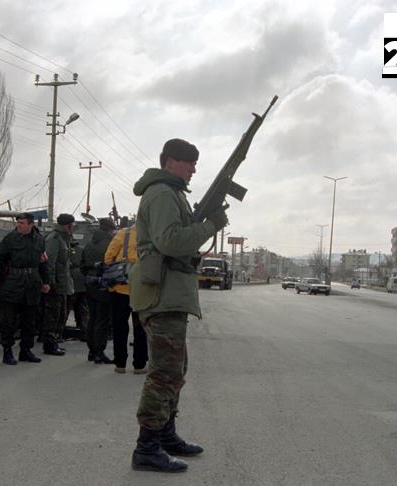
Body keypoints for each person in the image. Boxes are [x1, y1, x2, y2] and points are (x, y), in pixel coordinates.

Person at [128, 139, 228, 472]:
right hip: (163, 296)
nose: (194, 169)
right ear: (171, 162)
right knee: (164, 373)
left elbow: (179, 244)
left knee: (175, 369)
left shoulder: (171, 194)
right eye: (190, 163)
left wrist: (201, 227)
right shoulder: (161, 193)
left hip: (170, 294)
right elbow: (170, 241)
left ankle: (166, 435)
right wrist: (210, 225)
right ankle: (147, 447)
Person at [0, 213, 49, 365]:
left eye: (21, 223)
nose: (18, 225)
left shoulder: (40, 240)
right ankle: (7, 351)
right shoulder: (10, 239)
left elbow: (43, 262)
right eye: (17, 222)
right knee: (9, 321)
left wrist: (46, 281)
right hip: (14, 282)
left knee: (30, 321)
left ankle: (26, 350)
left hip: (32, 283)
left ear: (30, 224)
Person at [104, 223, 148, 375]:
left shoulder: (123, 233)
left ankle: (120, 364)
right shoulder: (153, 234)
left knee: (120, 327)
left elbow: (108, 258)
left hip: (120, 290)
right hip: (142, 291)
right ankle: (140, 365)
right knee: (141, 328)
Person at [80, 218, 116, 364]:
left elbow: (83, 265)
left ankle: (92, 351)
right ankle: (99, 352)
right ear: (110, 229)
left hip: (90, 283)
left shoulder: (89, 243)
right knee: (102, 319)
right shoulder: (110, 243)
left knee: (93, 318)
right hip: (104, 284)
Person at [42, 213, 75, 356]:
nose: (72, 228)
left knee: (60, 315)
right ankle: (49, 344)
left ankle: (54, 342)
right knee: (53, 316)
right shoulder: (54, 239)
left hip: (62, 284)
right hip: (56, 285)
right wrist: (50, 282)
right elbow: (50, 263)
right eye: (70, 225)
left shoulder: (63, 239)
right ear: (64, 225)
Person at [68, 240, 90, 341]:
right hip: (83, 281)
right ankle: (85, 332)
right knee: (83, 308)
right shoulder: (82, 249)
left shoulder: (68, 250)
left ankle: (58, 333)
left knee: (67, 307)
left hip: (71, 281)